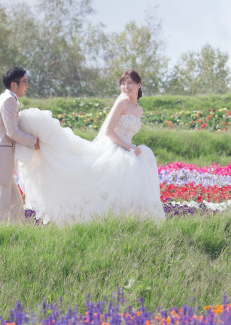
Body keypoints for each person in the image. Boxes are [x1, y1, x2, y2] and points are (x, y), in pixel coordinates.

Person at [13, 70, 165, 224]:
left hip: (129, 148)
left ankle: (131, 220)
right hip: (115, 147)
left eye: (130, 83)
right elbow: (108, 131)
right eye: (123, 83)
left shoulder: (139, 110)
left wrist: (131, 148)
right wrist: (128, 147)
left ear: (138, 84)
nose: (126, 87)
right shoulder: (121, 104)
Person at [0, 66, 40, 227]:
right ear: (13, 85)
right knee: (1, 201)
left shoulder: (3, 99)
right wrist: (33, 141)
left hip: (1, 157)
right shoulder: (8, 100)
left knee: (16, 203)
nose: (27, 86)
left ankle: (16, 234)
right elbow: (12, 131)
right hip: (0, 157)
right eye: (25, 82)